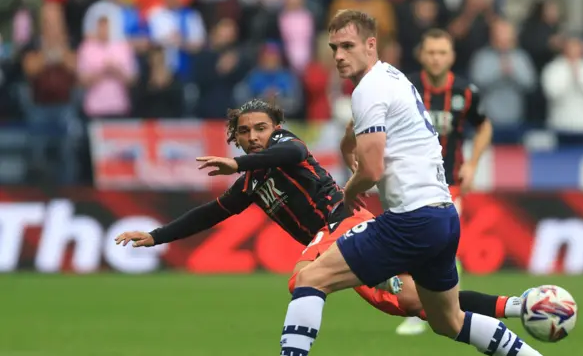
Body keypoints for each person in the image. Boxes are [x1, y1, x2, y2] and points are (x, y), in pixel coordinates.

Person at [114, 98, 524, 324]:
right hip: (342, 242)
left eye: (262, 128)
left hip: (346, 227)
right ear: (235, 136)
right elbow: (210, 213)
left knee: (305, 277)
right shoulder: (252, 184)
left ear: (275, 128)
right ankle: (518, 307)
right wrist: (155, 236)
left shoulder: (287, 148)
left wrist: (237, 164)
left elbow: (290, 149)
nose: (255, 136)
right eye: (245, 131)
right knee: (421, 306)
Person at [278, 9, 543, 356]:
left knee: (311, 278)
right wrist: (348, 148)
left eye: (347, 46)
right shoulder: (393, 77)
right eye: (333, 48)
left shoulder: (368, 90)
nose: (339, 55)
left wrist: (350, 191)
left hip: (409, 221)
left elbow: (371, 170)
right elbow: (358, 133)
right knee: (449, 321)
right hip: (444, 218)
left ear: (370, 45)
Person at [396, 28, 494, 336]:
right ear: (421, 55)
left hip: (448, 181)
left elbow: (484, 126)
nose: (436, 59)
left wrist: (474, 163)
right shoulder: (404, 87)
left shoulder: (465, 92)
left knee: (439, 245)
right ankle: (427, 306)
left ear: (451, 57)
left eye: (442, 53)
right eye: (431, 52)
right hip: (408, 181)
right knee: (416, 246)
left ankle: (437, 309)